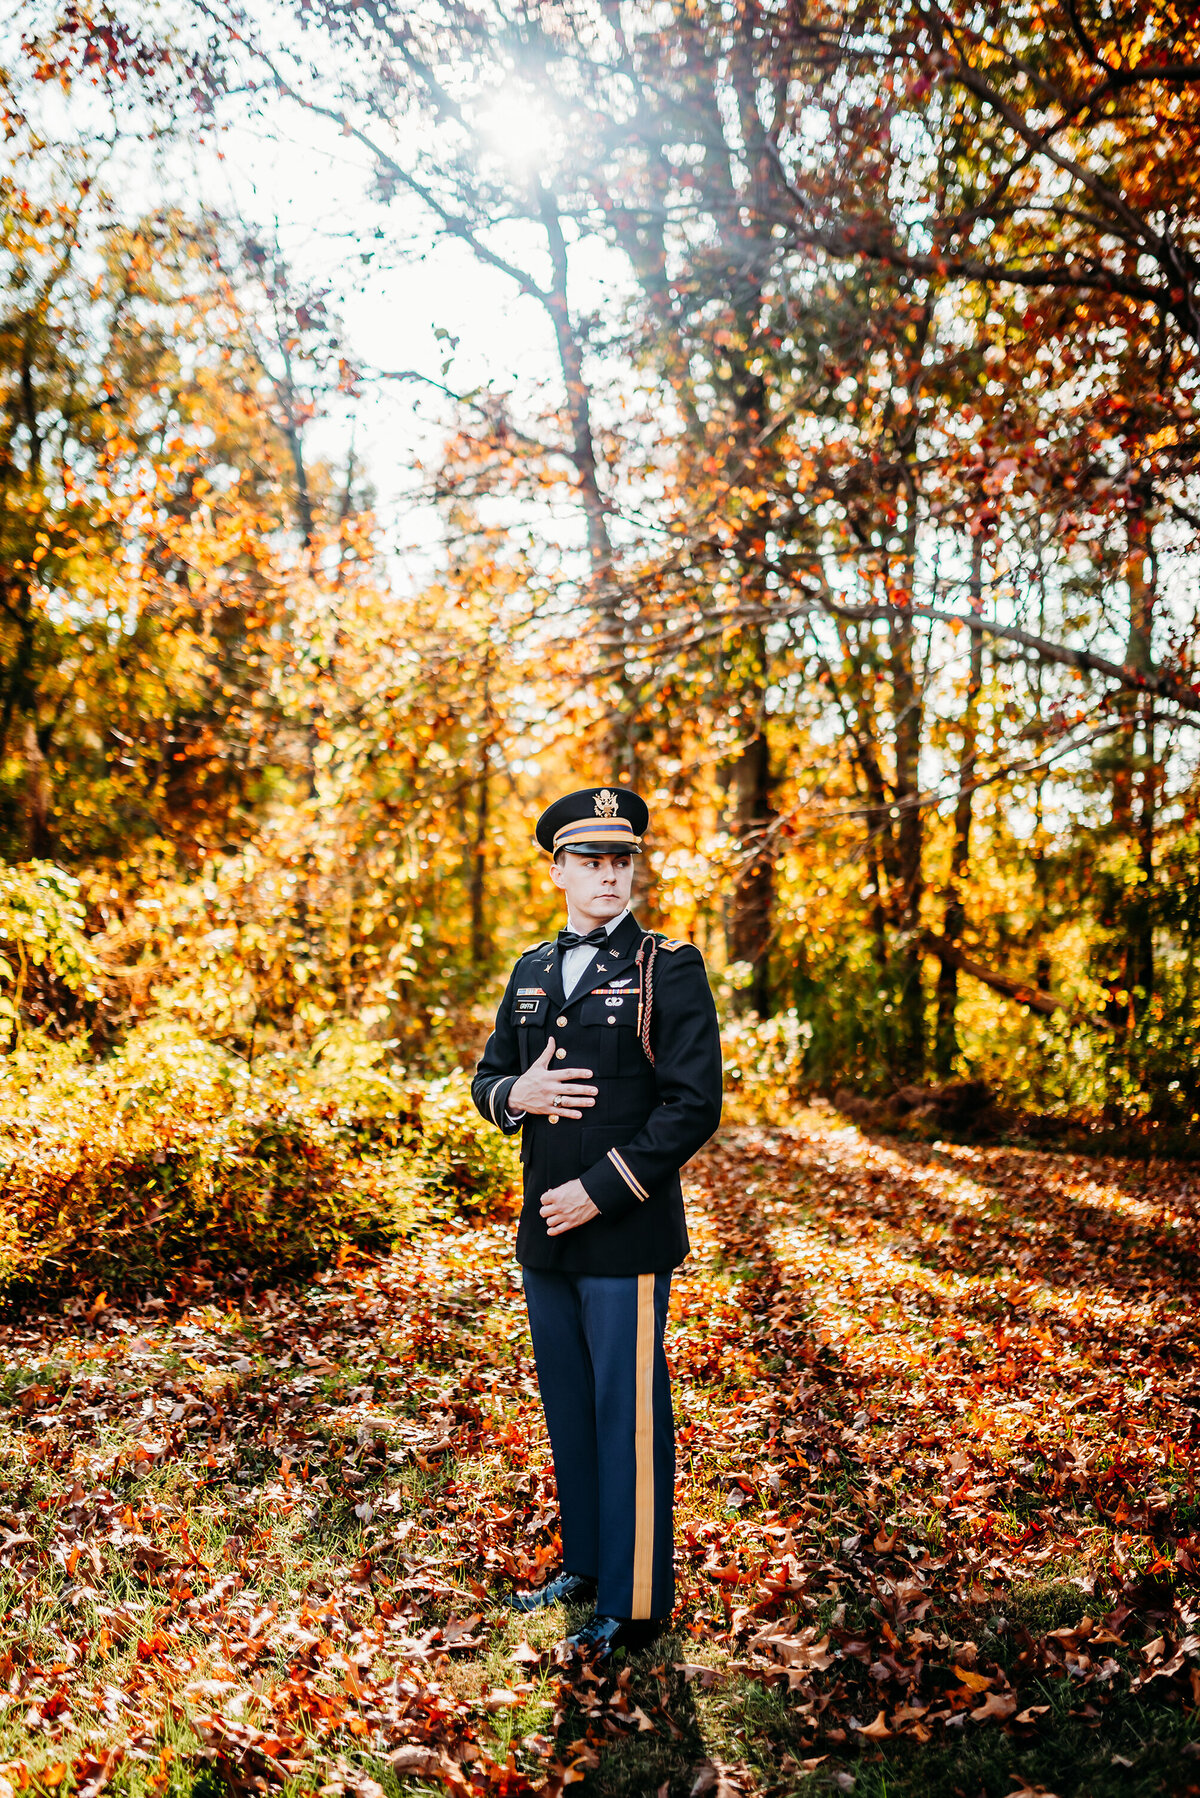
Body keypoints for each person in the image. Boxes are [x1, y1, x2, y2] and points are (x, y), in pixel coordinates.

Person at [471, 785, 722, 1659]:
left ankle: (639, 1599)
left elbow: (692, 1107)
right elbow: (488, 1078)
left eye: (621, 861)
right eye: (590, 861)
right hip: (545, 1230)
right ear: (559, 870)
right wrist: (518, 1094)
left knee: (629, 1414)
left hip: (622, 1228)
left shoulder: (669, 967)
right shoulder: (532, 969)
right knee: (570, 1408)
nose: (608, 876)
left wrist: (602, 1191)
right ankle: (584, 1566)